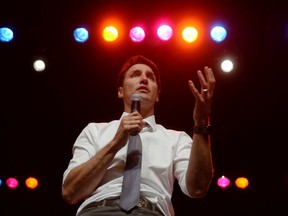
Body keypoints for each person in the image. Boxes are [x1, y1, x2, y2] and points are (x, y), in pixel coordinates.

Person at [62, 55, 216, 216]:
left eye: (151, 77)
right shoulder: (95, 130)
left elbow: (197, 188)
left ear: (157, 95)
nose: (143, 79)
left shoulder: (176, 138)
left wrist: (201, 123)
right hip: (99, 210)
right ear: (120, 91)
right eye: (135, 74)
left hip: (151, 211)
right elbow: (70, 192)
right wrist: (116, 143)